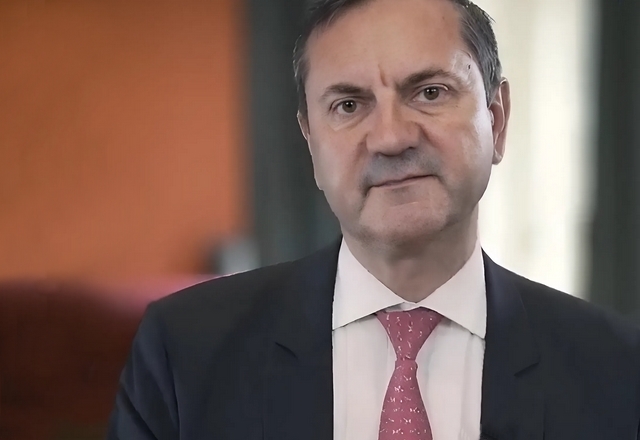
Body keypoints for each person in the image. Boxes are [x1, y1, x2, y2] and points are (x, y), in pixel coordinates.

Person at [107, 0, 640, 438]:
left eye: (429, 93)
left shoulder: (617, 369)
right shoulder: (184, 353)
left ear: (496, 120)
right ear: (310, 142)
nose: (390, 138)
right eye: (348, 105)